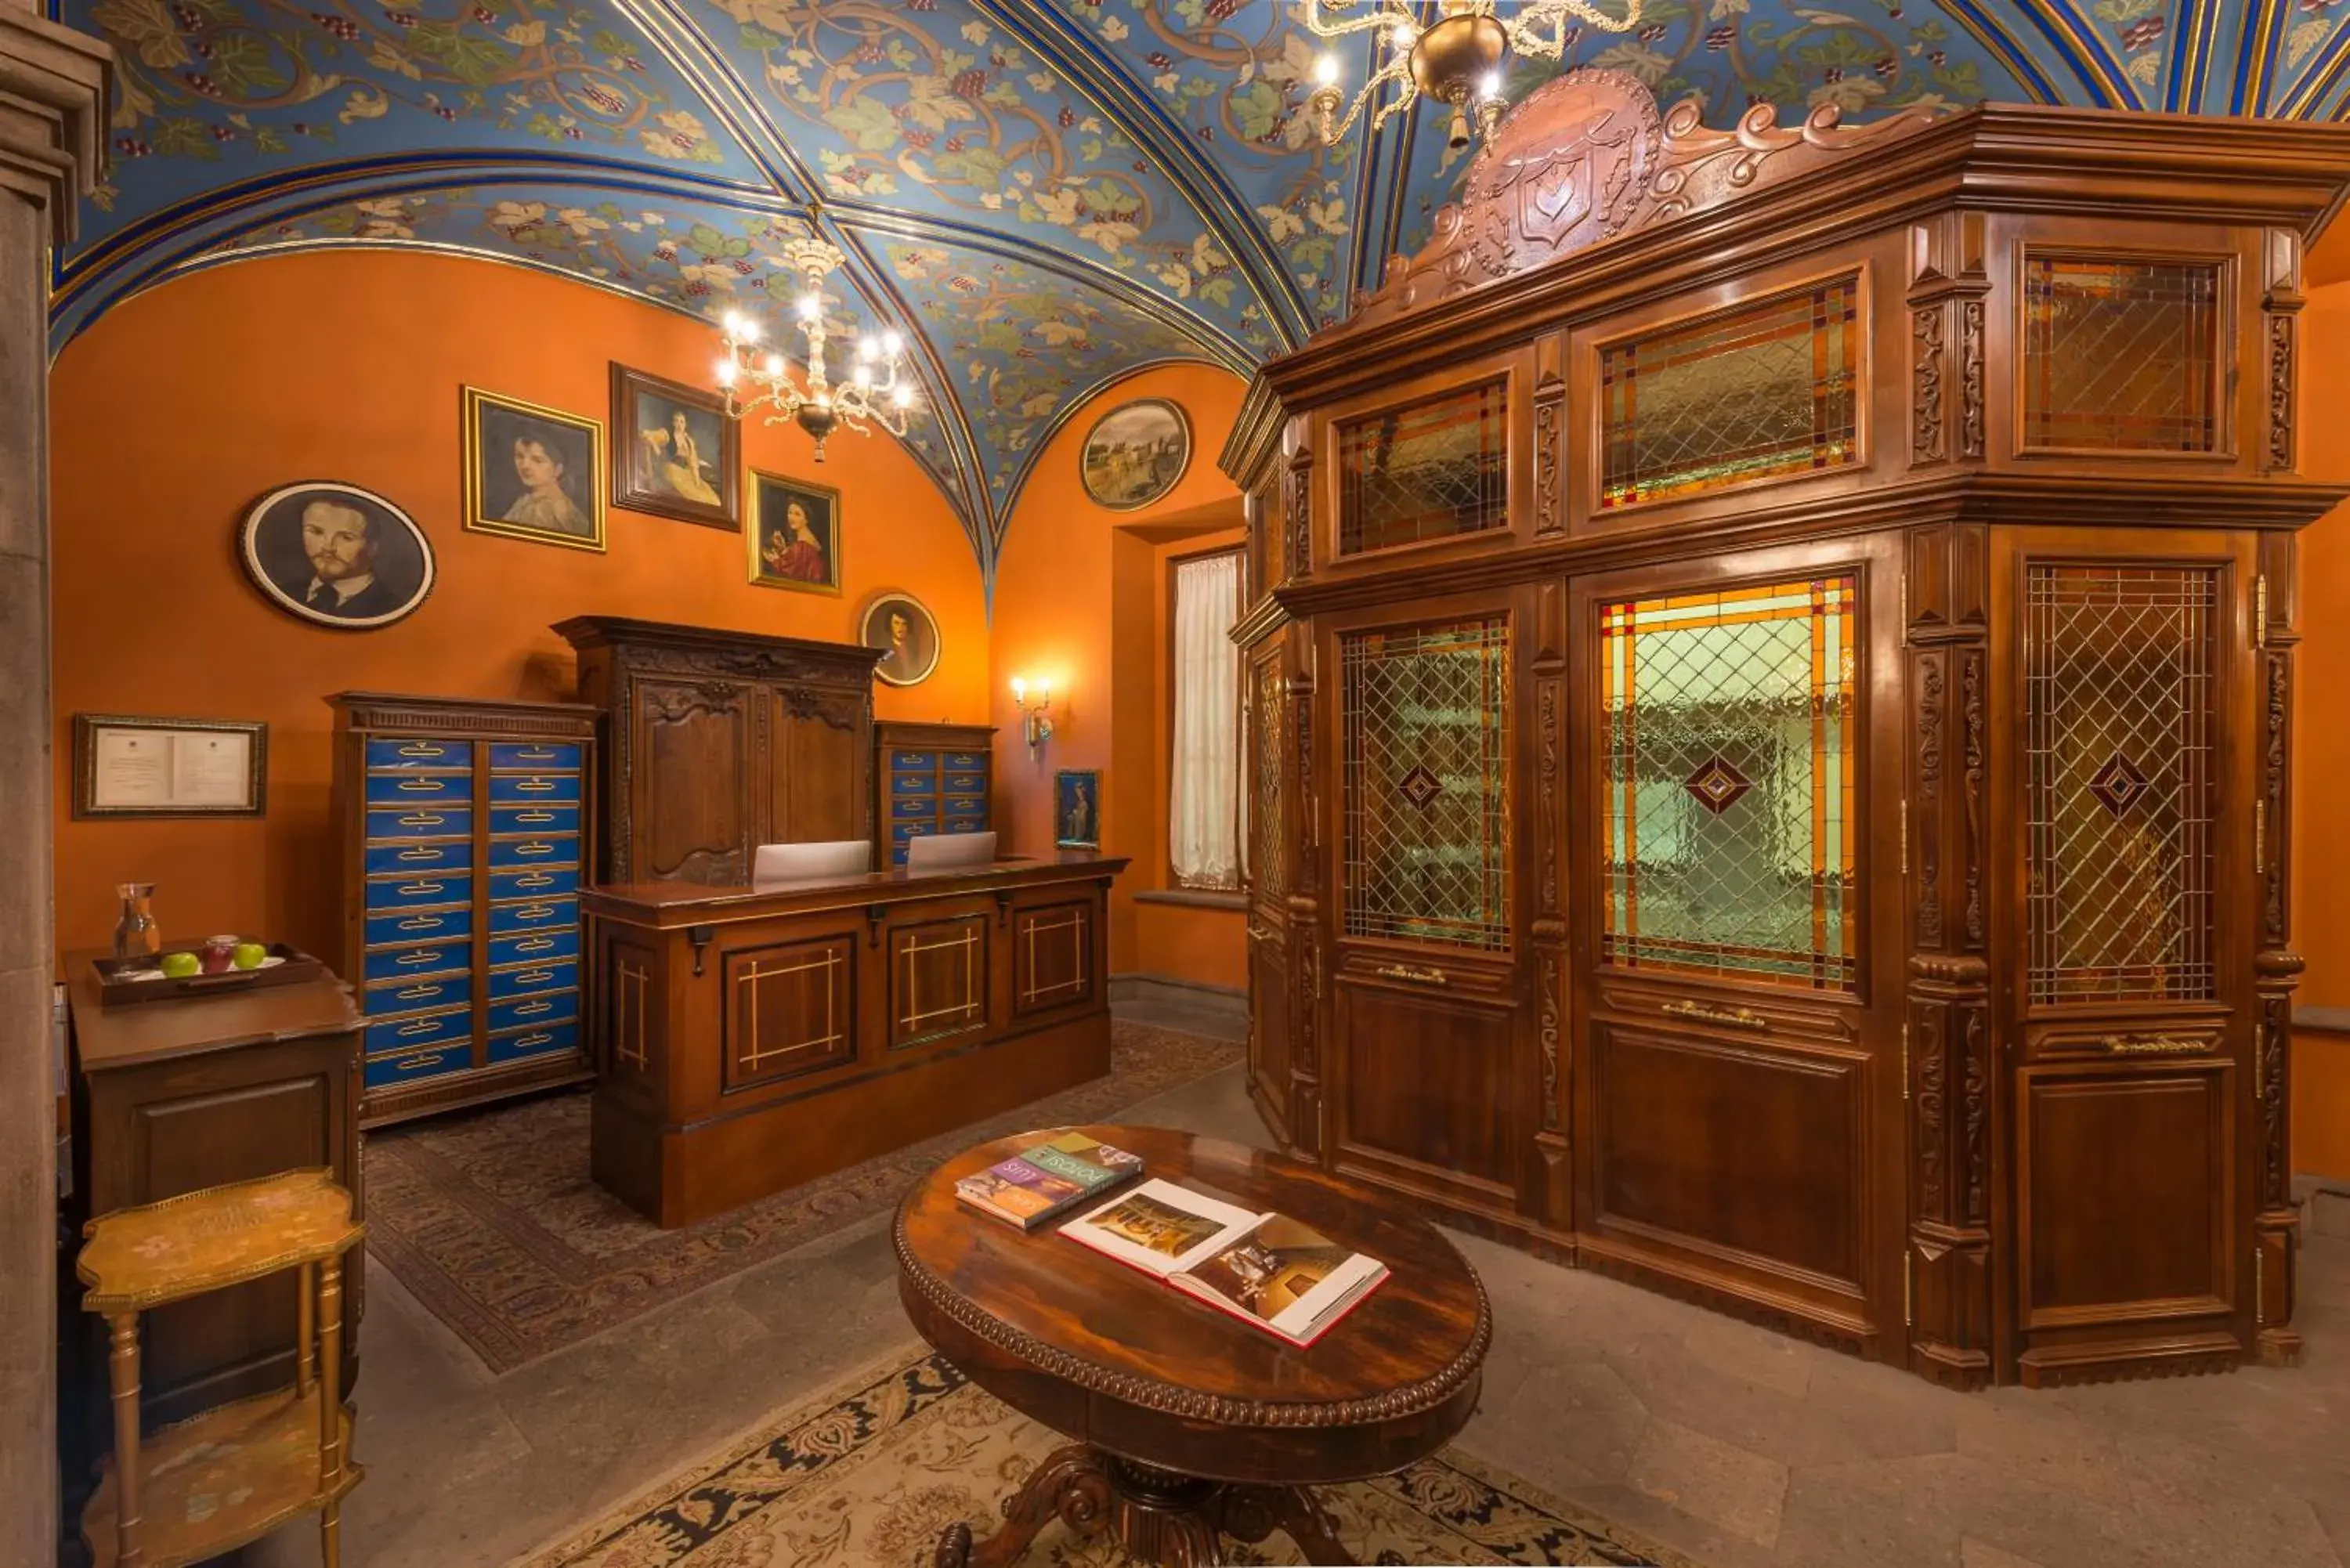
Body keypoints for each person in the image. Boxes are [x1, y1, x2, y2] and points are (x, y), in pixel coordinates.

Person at [292, 499, 403, 620]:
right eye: (316, 532)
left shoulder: (390, 608)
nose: (328, 547)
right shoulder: (288, 592)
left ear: (374, 547)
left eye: (346, 537)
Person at [502, 435, 592, 537]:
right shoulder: (523, 503)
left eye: (537, 460)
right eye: (520, 456)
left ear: (558, 469)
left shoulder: (560, 511)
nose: (525, 466)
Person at [645, 408, 719, 504]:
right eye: (677, 421)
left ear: (685, 424)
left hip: (685, 471)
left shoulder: (689, 441)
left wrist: (697, 480)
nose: (679, 424)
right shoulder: (667, 435)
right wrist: (655, 446)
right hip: (670, 468)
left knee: (711, 497)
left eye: (682, 422)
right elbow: (648, 435)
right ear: (673, 423)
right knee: (691, 491)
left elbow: (693, 463)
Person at [761, 499, 829, 583]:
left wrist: (775, 560)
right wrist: (783, 549)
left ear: (806, 520)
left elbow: (793, 572)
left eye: (797, 514)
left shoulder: (803, 546)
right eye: (790, 513)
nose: (792, 517)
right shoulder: (807, 541)